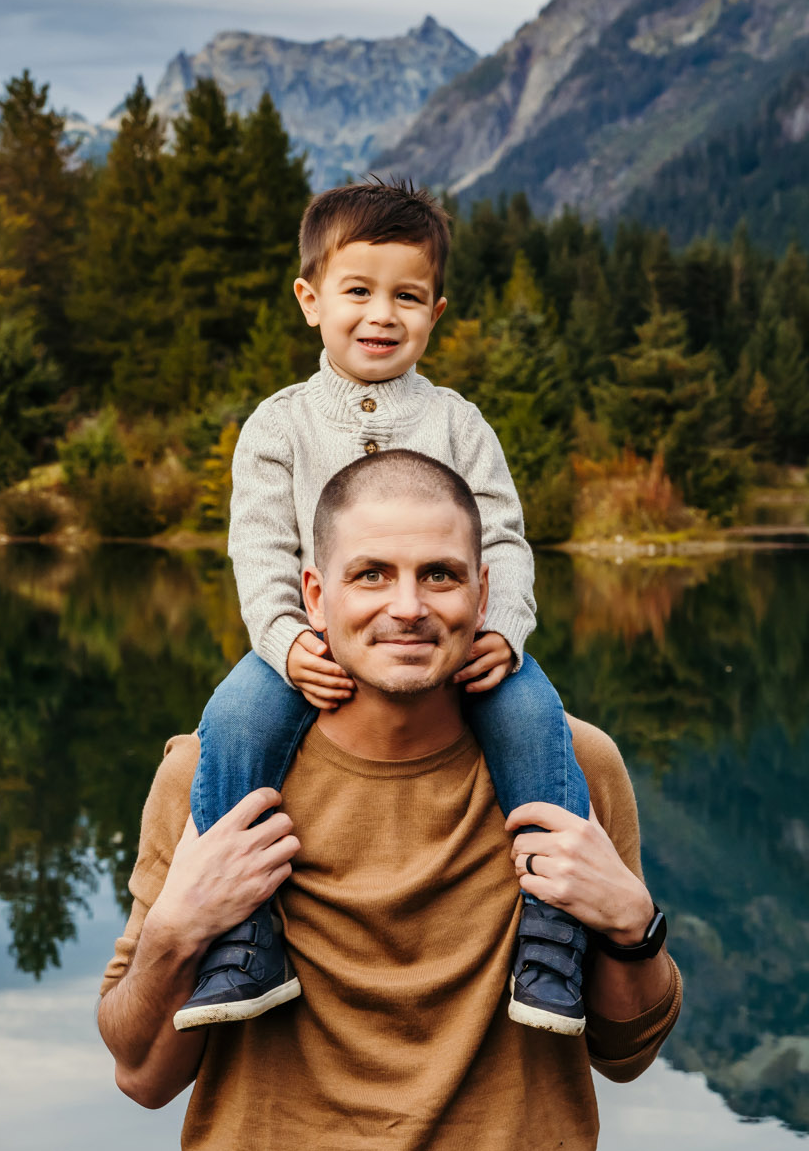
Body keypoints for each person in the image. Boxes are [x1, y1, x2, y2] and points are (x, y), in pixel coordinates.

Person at [96, 449, 680, 1151]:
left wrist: (631, 922)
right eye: (372, 574)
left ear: (483, 590)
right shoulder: (214, 777)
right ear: (313, 594)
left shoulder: (572, 769)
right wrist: (179, 928)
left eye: (438, 575)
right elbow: (141, 1071)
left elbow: (624, 1051)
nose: (407, 606)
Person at [176, 179, 595, 1036]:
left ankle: (553, 933)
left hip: (455, 646)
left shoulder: (458, 422)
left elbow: (506, 543)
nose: (381, 313)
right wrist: (287, 641)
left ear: (435, 311)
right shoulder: (278, 426)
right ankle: (244, 934)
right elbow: (258, 550)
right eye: (357, 291)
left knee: (532, 715)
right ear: (310, 299)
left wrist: (504, 633)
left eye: (406, 296)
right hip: (311, 643)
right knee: (235, 717)